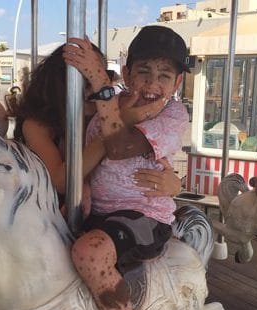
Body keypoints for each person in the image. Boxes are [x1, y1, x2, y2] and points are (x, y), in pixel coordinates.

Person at [63, 25, 190, 310]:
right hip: (99, 213)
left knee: (89, 253)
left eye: (165, 75)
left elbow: (118, 148)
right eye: (144, 71)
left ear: (178, 81)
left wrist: (101, 85)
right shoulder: (110, 106)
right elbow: (91, 154)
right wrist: (82, 187)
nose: (153, 83)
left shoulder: (173, 116)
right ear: (128, 71)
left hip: (142, 215)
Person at [14, 44, 181, 210]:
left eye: (99, 79)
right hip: (47, 211)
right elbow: (62, 181)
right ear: (59, 83)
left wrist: (174, 184)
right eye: (83, 81)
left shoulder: (103, 113)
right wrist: (116, 126)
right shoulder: (37, 125)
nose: (93, 89)